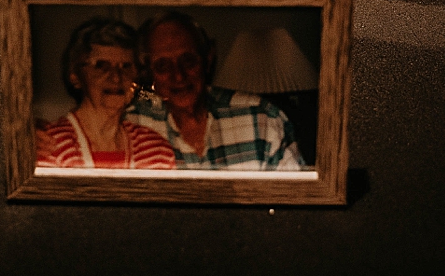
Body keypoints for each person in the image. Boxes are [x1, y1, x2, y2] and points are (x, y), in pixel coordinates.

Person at [126, 12, 304, 170]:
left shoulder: (262, 118)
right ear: (149, 72)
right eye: (163, 66)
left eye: (188, 60)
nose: (178, 76)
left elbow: (295, 199)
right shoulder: (131, 124)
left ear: (208, 59)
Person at [37, 18, 177, 169]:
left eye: (126, 66)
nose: (116, 77)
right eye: (101, 66)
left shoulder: (155, 148)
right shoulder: (48, 145)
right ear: (75, 77)